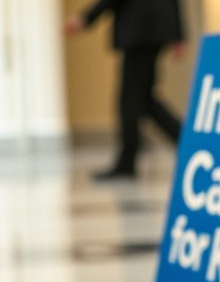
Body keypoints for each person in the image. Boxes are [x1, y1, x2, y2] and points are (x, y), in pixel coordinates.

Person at [64, 0, 185, 180]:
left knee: (129, 100)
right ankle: (186, 141)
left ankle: (127, 163)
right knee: (145, 99)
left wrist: (86, 18)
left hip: (139, 27)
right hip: (157, 25)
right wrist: (178, 33)